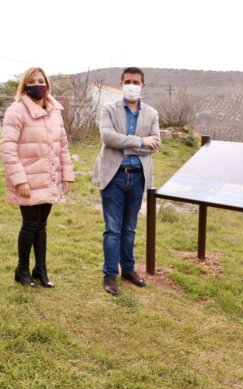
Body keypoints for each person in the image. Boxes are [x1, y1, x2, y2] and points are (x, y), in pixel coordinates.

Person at [0, 67, 74, 289]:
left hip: (50, 177)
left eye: (41, 80)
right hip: (29, 179)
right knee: (30, 224)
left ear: (47, 85)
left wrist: (67, 175)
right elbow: (7, 148)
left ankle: (40, 269)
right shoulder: (16, 111)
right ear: (24, 85)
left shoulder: (55, 112)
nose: (37, 84)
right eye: (32, 81)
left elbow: (62, 146)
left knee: (42, 225)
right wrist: (19, 180)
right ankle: (22, 269)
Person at [92, 67, 161, 296]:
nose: (132, 85)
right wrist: (141, 141)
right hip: (113, 176)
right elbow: (107, 137)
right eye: (128, 81)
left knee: (129, 228)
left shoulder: (151, 113)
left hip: (138, 176)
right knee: (113, 229)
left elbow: (155, 146)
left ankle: (128, 270)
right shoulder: (108, 109)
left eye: (136, 81)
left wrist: (123, 142)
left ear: (143, 86)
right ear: (121, 83)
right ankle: (110, 275)